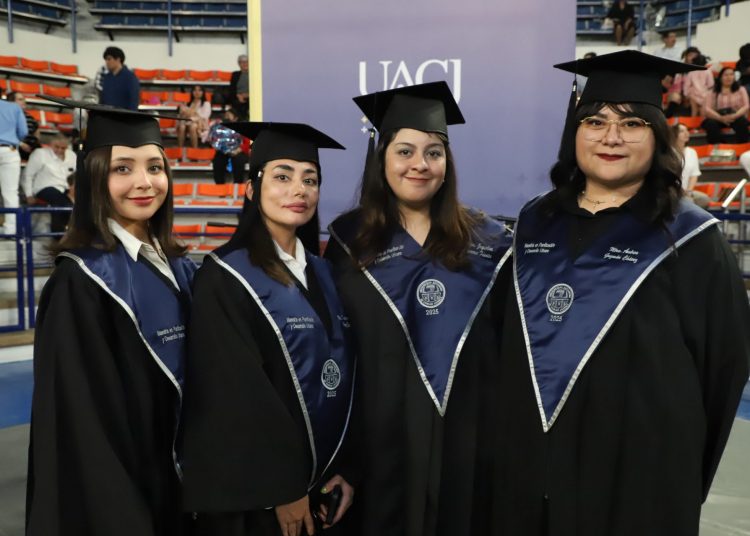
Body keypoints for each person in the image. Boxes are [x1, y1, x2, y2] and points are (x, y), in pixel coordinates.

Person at [492, 50, 750, 536]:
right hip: (529, 474)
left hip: (641, 478)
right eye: (595, 122)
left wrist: (679, 471)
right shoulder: (534, 222)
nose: (611, 137)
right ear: (575, 133)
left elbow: (723, 369)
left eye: (632, 123)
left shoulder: (690, 237)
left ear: (657, 136)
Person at [324, 81, 513, 536]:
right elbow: (337, 350)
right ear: (382, 160)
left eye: (434, 152)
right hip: (378, 441)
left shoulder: (489, 242)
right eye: (405, 152)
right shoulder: (349, 242)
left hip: (466, 440)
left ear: (447, 164)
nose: (420, 165)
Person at [26, 96, 196, 536]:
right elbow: (81, 426)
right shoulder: (80, 283)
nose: (144, 182)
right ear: (95, 178)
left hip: (188, 490)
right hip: (127, 495)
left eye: (154, 167)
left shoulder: (182, 269)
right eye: (123, 168)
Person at [181, 122, 355, 536]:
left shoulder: (325, 272)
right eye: (282, 177)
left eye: (309, 180)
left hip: (323, 483)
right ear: (250, 189)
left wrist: (346, 467)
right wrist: (283, 487)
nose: (299, 190)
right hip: (263, 496)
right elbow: (235, 394)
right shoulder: (224, 277)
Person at [22, 133, 76, 233]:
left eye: (63, 148)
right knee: (62, 203)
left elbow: (75, 175)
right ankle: (58, 234)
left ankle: (73, 232)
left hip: (65, 188)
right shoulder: (40, 154)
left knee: (78, 203)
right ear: (51, 144)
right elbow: (28, 175)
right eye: (57, 147)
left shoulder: (72, 155)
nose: (60, 150)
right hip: (44, 187)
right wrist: (28, 195)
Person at [0, 94, 28, 236]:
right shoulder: (14, 107)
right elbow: (23, 132)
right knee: (10, 192)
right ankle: (11, 230)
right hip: (9, 149)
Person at [702, 66, 750, 144]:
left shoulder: (741, 89)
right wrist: (720, 118)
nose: (729, 77)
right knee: (711, 124)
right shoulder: (712, 91)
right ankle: (718, 147)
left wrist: (734, 116)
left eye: (731, 74)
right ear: (720, 77)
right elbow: (707, 109)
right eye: (726, 75)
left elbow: (746, 106)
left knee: (742, 122)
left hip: (735, 116)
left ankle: (743, 146)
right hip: (717, 117)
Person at [672, 123, 710, 208]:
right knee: (689, 202)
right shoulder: (668, 152)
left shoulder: (692, 152)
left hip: (686, 191)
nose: (686, 133)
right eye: (682, 131)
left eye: (687, 130)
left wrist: (689, 190)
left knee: (704, 199)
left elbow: (694, 175)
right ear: (674, 134)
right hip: (672, 191)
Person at [209, 108, 250, 184]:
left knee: (239, 160)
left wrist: (238, 150)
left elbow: (247, 143)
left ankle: (237, 185)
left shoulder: (242, 127)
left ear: (235, 118)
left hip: (238, 151)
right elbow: (216, 141)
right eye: (226, 115)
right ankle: (219, 185)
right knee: (218, 160)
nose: (226, 117)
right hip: (224, 151)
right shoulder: (220, 127)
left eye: (229, 115)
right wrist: (220, 148)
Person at [98, 46, 140, 111]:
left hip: (123, 116)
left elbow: (133, 102)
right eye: (105, 60)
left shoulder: (130, 77)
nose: (106, 62)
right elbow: (103, 100)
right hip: (107, 115)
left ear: (118, 59)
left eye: (109, 59)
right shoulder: (106, 77)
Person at [6, 92, 41, 160]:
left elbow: (36, 131)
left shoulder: (29, 117)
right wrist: (21, 144)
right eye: (20, 99)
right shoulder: (7, 117)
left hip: (32, 148)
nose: (24, 101)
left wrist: (35, 143)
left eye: (24, 99)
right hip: (15, 148)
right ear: (11, 102)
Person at [228, 54, 250, 118]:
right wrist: (238, 95)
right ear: (239, 64)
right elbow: (232, 89)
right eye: (242, 62)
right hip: (237, 99)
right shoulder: (235, 74)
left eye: (246, 61)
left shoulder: (254, 74)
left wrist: (248, 95)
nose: (245, 64)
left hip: (251, 99)